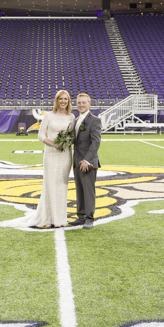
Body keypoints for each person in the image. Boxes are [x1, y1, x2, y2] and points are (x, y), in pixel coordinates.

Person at [0, 90, 74, 229]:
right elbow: (40, 135)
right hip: (51, 154)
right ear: (56, 100)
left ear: (68, 101)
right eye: (61, 99)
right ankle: (48, 217)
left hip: (65, 155)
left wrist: (67, 143)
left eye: (66, 99)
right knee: (50, 184)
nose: (63, 101)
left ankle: (60, 218)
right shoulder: (48, 116)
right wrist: (54, 144)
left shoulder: (71, 117)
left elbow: (72, 135)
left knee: (62, 185)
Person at [69, 92, 102, 230]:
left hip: (88, 163)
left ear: (90, 103)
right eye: (79, 102)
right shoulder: (76, 120)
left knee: (88, 191)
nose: (81, 105)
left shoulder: (95, 120)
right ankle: (81, 216)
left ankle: (89, 218)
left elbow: (95, 142)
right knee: (80, 190)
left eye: (84, 102)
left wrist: (86, 160)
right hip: (77, 161)